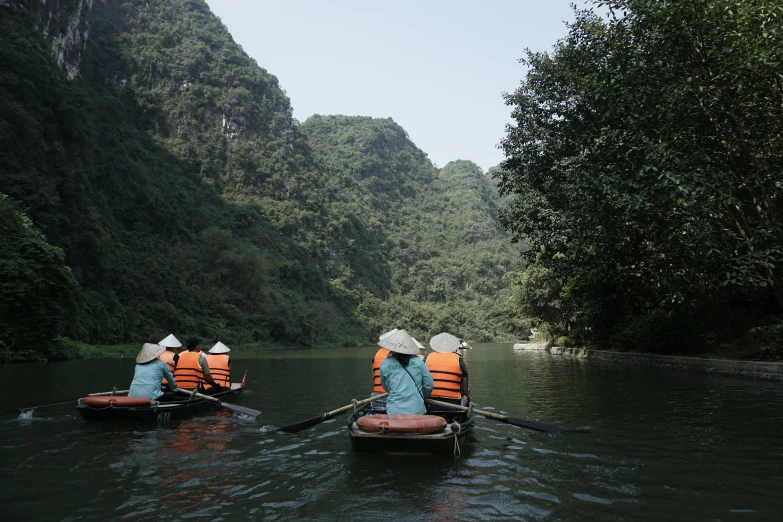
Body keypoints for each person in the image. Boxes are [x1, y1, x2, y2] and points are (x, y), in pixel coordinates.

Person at [379, 329, 434, 415]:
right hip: (417, 410)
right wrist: (421, 396)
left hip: (394, 411)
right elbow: (429, 385)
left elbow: (386, 387)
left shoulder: (385, 363)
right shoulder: (418, 361)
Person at [426, 336, 470, 406]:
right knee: (466, 396)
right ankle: (459, 415)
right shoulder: (459, 360)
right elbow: (465, 389)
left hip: (430, 402)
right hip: (453, 404)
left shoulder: (427, 358)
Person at [370, 328, 399, 411]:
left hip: (376, 396)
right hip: (394, 397)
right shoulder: (399, 354)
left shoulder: (377, 355)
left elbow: (373, 379)